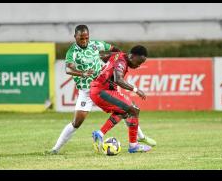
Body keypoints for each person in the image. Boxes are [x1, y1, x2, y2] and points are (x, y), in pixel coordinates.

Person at [48, 25, 155, 154]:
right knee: (77, 123)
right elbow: (68, 69)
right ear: (75, 36)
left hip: (106, 86)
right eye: (81, 38)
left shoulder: (95, 45)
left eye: (86, 38)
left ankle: (139, 138)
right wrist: (83, 73)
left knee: (128, 109)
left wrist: (116, 58)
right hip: (87, 90)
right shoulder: (72, 51)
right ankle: (55, 149)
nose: (84, 41)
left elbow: (113, 49)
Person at [91, 45, 153, 153]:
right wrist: (136, 89)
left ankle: (99, 134)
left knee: (124, 111)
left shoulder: (117, 55)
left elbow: (101, 55)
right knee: (134, 109)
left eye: (141, 64)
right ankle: (133, 146)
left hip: (98, 90)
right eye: (138, 62)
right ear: (132, 56)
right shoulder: (121, 61)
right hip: (102, 91)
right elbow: (118, 79)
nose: (138, 65)